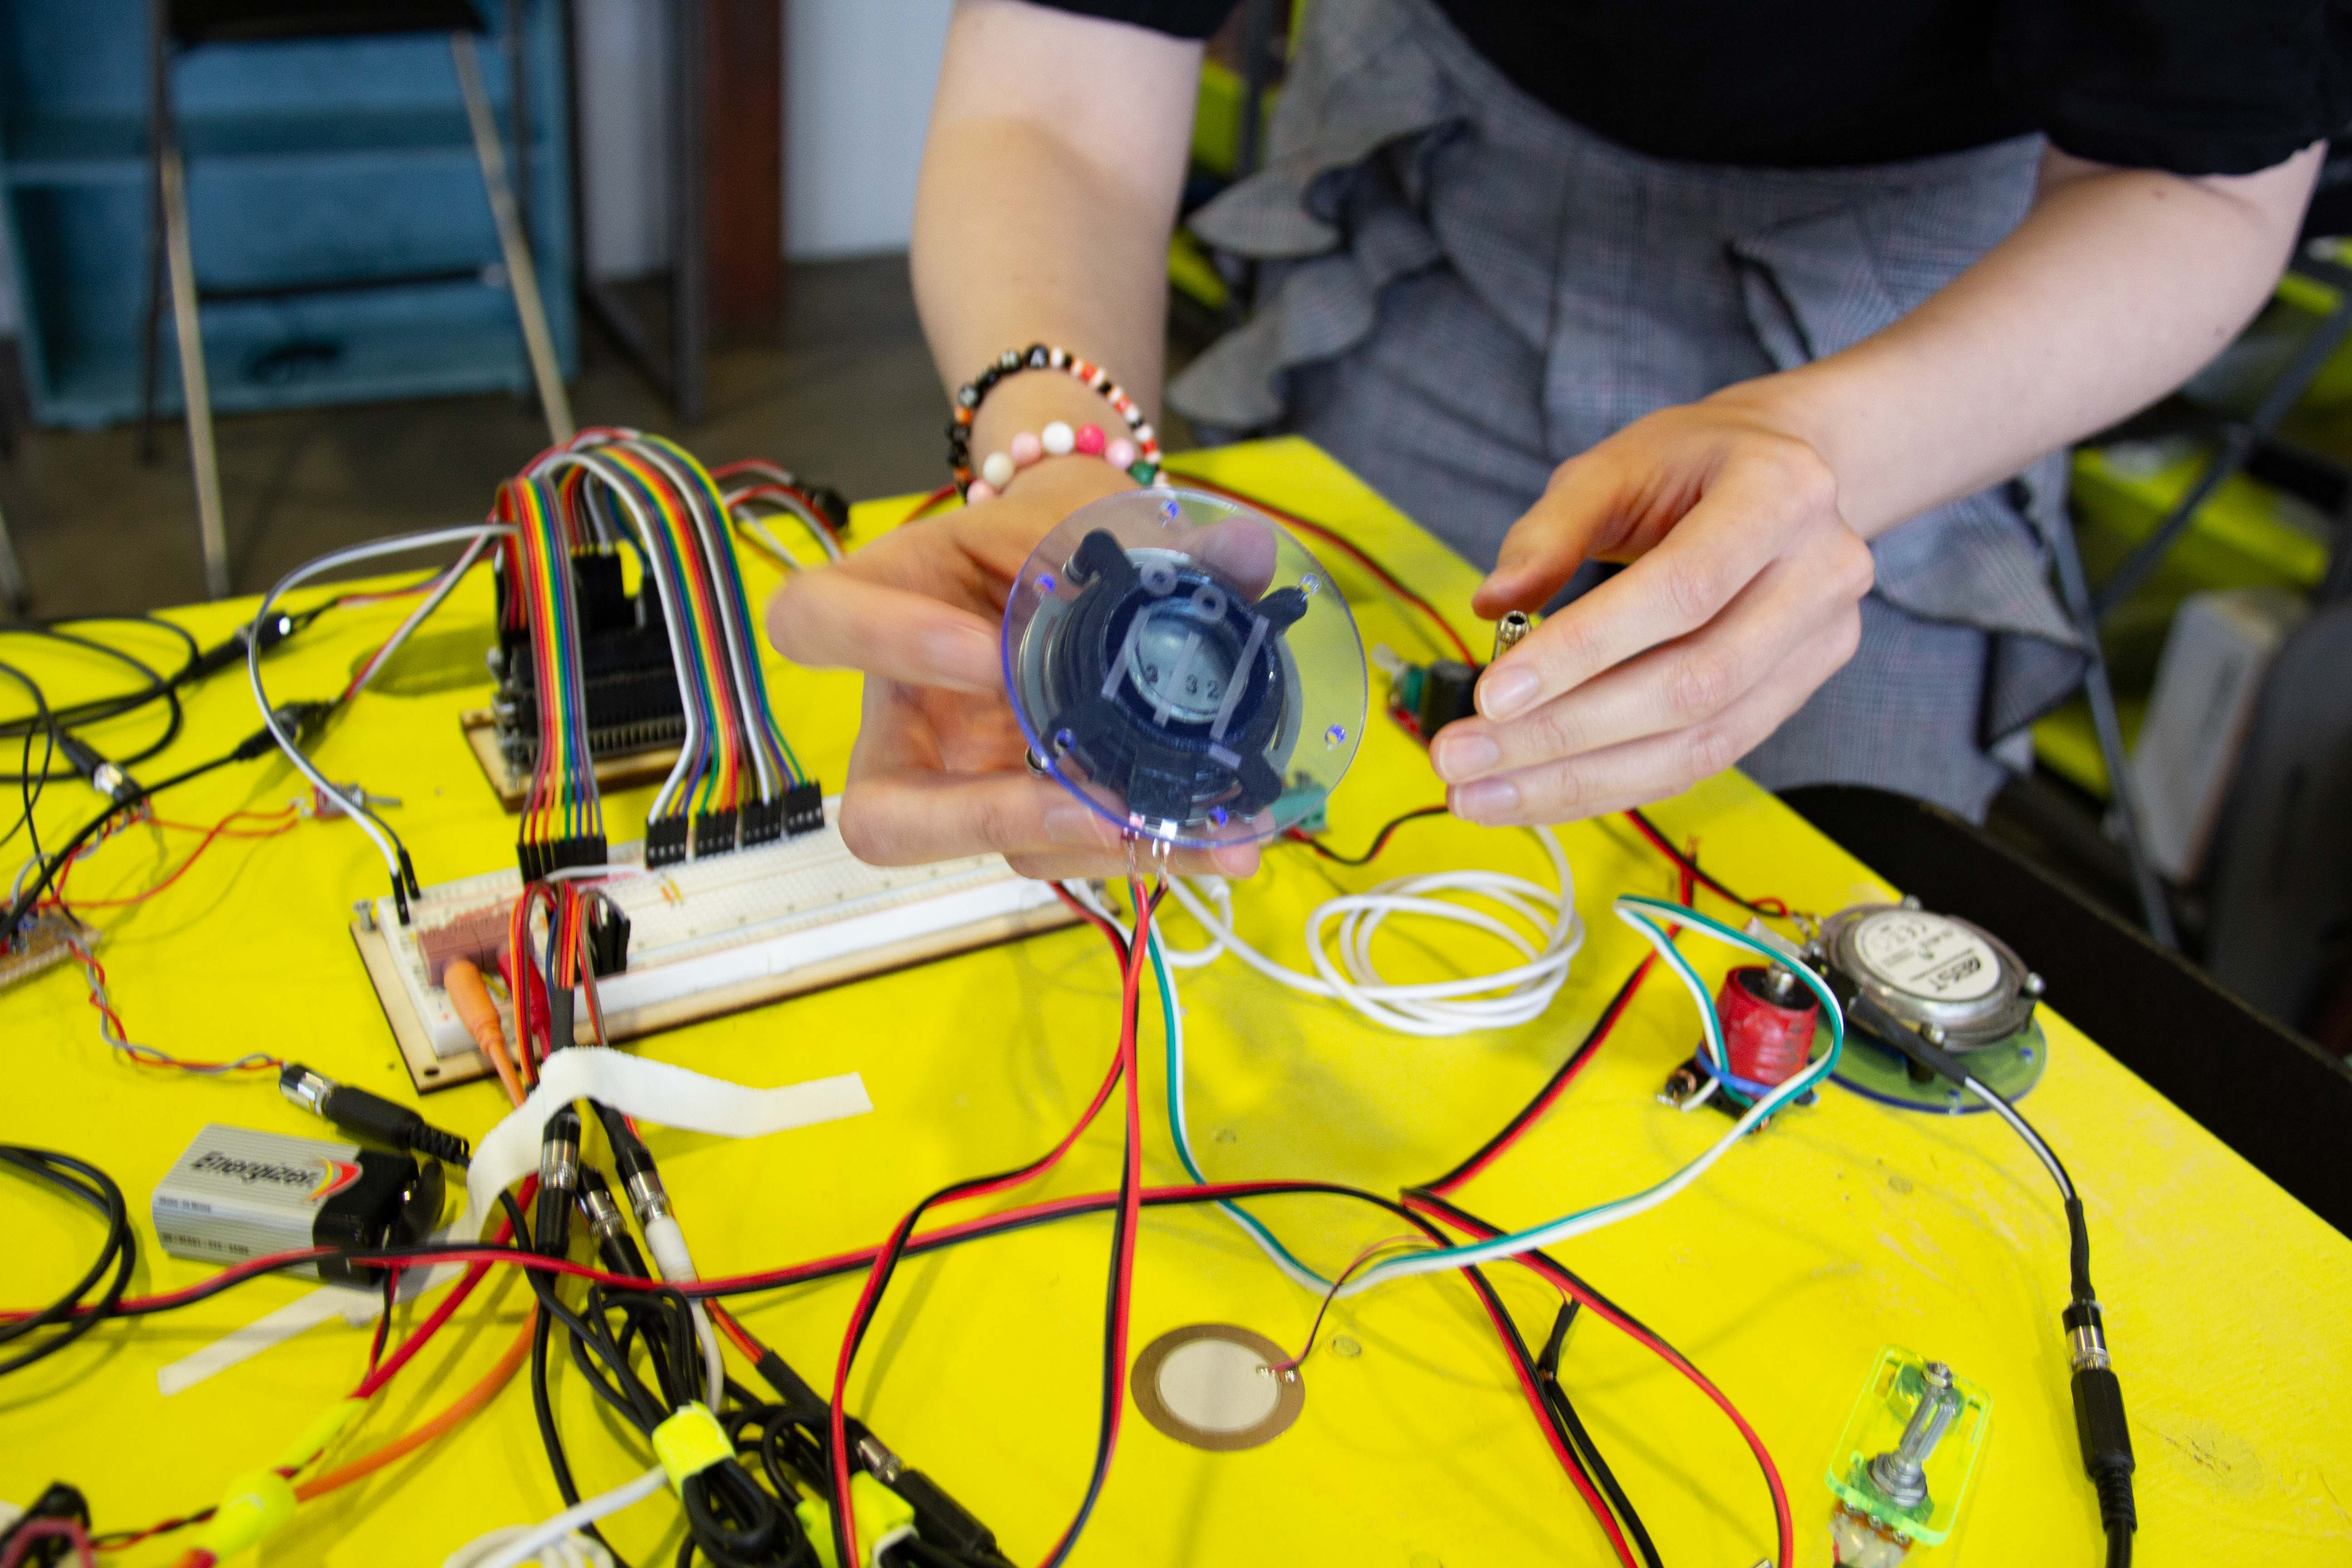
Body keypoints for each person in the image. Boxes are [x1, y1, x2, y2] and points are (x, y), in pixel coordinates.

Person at [767, 0, 2341, 882]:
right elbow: (1060, 77)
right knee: (1326, 877)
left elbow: (2203, 179)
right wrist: (1056, 470)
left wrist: (1821, 443)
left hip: (1940, 317)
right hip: (1442, 177)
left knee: (1812, 924)